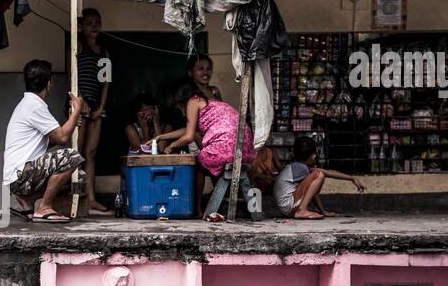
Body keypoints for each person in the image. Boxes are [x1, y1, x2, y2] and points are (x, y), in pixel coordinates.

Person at [3, 59, 87, 223]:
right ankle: (44, 207)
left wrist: (71, 120)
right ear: (48, 84)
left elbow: (51, 141)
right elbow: (63, 137)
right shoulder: (34, 105)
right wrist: (77, 111)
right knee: (72, 157)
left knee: (79, 176)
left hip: (17, 178)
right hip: (21, 176)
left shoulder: (28, 103)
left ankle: (27, 201)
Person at [154, 82, 253, 220]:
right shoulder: (203, 101)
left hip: (227, 145)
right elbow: (190, 131)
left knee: (199, 163)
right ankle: (218, 202)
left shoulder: (192, 102)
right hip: (242, 146)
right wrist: (162, 137)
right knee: (207, 160)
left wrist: (171, 147)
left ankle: (198, 208)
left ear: (180, 99)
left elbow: (188, 137)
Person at [272, 135, 366, 219]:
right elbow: (324, 173)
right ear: (313, 156)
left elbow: (312, 188)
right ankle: (302, 210)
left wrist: (322, 211)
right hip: (289, 206)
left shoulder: (296, 166)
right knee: (319, 174)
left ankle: (304, 209)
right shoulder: (302, 168)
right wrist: (352, 178)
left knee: (316, 177)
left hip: (286, 207)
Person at [76, 8, 112, 214]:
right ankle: (74, 197)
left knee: (91, 153)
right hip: (80, 104)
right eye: (90, 23)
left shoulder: (104, 53)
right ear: (81, 26)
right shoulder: (78, 46)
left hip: (97, 106)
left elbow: (106, 83)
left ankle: (91, 198)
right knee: (77, 153)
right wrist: (81, 100)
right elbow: (73, 72)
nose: (95, 26)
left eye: (98, 22)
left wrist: (101, 108)